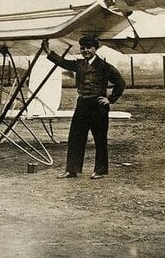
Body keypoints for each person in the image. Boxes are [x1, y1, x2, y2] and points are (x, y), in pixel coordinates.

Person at [42, 35, 125, 179]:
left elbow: (121, 83)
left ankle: (99, 171)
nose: (85, 50)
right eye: (82, 48)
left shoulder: (104, 66)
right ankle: (71, 170)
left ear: (95, 49)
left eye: (88, 48)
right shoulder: (79, 64)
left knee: (100, 138)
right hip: (82, 104)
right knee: (75, 137)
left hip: (98, 106)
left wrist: (110, 99)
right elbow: (63, 63)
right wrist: (48, 52)